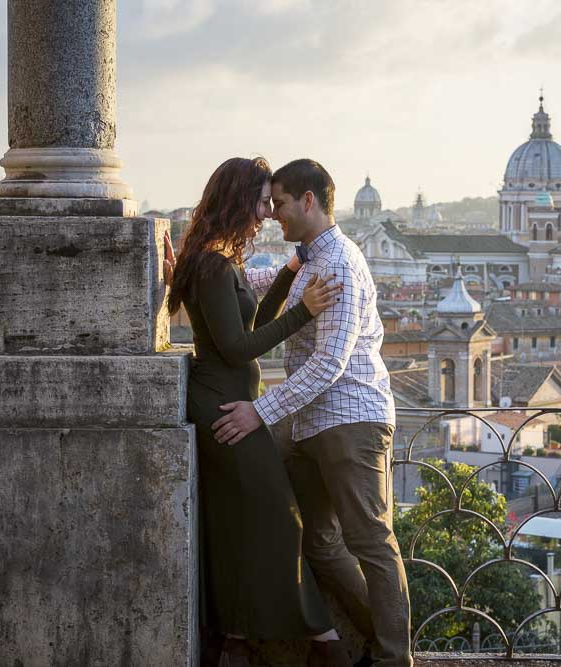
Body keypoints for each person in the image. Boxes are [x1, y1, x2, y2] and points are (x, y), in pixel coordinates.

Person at [212, 159, 412, 667]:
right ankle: (368, 638)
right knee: (318, 541)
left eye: (278, 203)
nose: (272, 213)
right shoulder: (308, 261)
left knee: (372, 540)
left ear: (308, 201)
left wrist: (259, 412)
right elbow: (250, 284)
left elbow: (330, 363)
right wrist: (191, 268)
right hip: (309, 424)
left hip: (351, 419)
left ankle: (394, 659)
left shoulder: (340, 262)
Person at [165, 157, 351, 667]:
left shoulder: (219, 259)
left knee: (237, 523)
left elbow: (251, 319)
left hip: (231, 400)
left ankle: (235, 640)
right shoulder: (211, 264)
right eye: (262, 200)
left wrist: (289, 276)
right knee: (281, 519)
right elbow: (236, 347)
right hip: (224, 405)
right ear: (238, 199)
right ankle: (323, 640)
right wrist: (304, 311)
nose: (268, 213)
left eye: (273, 202)